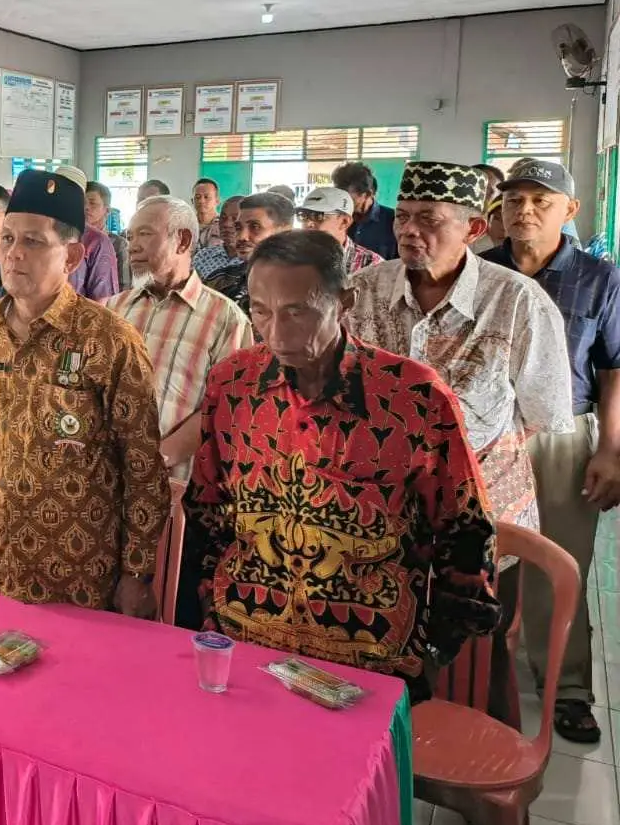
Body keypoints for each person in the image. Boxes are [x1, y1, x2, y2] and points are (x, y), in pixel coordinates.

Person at [187, 230, 500, 701]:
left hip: (370, 657)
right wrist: (211, 613)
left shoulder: (414, 396)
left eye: (298, 311)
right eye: (261, 311)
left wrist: (434, 646)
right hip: (247, 638)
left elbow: (466, 530)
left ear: (344, 302)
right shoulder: (232, 383)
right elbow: (207, 506)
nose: (277, 333)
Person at [346, 161, 572, 742]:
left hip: (484, 519)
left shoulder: (518, 303)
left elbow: (544, 415)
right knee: (378, 643)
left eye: (430, 220)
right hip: (381, 512)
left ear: (473, 228)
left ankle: (486, 791)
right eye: (404, 218)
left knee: (479, 657)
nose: (410, 232)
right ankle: (382, 767)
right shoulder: (365, 291)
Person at [0, 169, 167, 611]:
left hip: (79, 575)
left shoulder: (110, 339)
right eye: (7, 239)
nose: (14, 254)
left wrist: (136, 572)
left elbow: (142, 465)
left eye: (33, 242)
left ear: (73, 256)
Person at [483, 158, 620, 744]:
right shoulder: (479, 271)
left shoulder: (598, 278)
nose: (526, 211)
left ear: (569, 209)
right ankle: (488, 682)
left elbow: (614, 370)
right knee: (491, 563)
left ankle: (565, 688)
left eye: (541, 201)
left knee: (560, 565)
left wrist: (611, 449)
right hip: (492, 436)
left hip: (565, 438)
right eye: (515, 200)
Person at [106, 196, 250, 479]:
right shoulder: (113, 309)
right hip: (109, 476)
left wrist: (159, 459)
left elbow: (227, 405)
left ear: (182, 241)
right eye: (130, 236)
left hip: (180, 483)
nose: (132, 246)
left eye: (145, 234)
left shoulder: (225, 319)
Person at [205, 191, 294, 311]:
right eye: (238, 228)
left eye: (255, 227)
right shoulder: (219, 281)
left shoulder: (304, 286)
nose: (242, 236)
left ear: (284, 231)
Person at [56, 173, 119, 300]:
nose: (86, 208)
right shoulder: (35, 231)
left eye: (92, 203)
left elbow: (103, 299)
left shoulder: (97, 241)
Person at [295, 186, 382, 274]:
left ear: (344, 222)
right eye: (304, 215)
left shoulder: (372, 266)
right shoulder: (292, 258)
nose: (308, 224)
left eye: (318, 216)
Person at [333, 161, 397, 260]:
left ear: (367, 194)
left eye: (347, 197)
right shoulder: (335, 219)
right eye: (338, 195)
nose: (340, 201)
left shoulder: (393, 221)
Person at [81, 178, 130, 292]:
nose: (86, 207)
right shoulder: (73, 240)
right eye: (82, 203)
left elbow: (124, 288)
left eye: (92, 203)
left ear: (107, 210)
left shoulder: (118, 244)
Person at [193, 194, 245, 280]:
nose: (226, 224)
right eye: (223, 218)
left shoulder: (255, 261)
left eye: (235, 218)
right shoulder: (203, 256)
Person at [192, 178, 222, 249]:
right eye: (197, 197)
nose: (201, 201)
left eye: (206, 197)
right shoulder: (186, 224)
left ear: (217, 200)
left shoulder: (223, 225)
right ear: (192, 201)